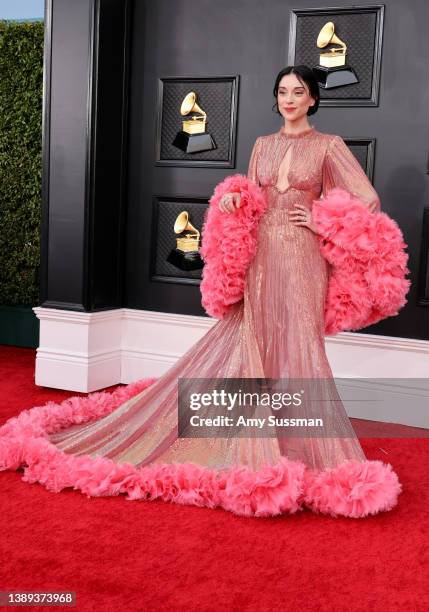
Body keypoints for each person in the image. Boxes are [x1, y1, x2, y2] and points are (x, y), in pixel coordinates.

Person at [0, 65, 406, 518]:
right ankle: (258, 440)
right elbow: (252, 193)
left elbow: (366, 198)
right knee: (256, 335)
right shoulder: (263, 145)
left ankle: (300, 441)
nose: (289, 98)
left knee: (299, 342)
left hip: (303, 259)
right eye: (283, 91)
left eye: (299, 91)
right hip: (261, 256)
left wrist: (321, 219)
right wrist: (236, 200)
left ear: (313, 99)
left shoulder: (328, 146)